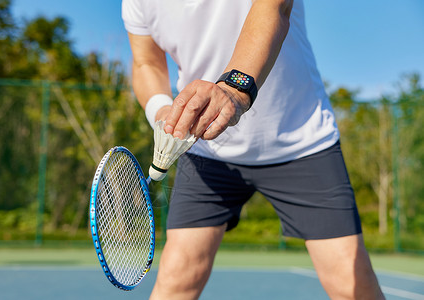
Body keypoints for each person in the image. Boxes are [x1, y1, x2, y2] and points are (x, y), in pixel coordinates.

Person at [122, 0, 385, 299]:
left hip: (300, 141)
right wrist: (162, 112)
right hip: (205, 151)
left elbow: (274, 8)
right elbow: (146, 63)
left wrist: (234, 89)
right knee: (177, 277)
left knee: (351, 285)